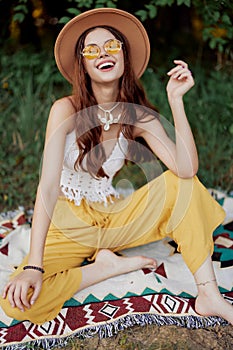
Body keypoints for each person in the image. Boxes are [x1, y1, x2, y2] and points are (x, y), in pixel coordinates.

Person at [1, 8, 232, 325]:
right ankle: (106, 267)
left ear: (124, 55)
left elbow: (186, 168)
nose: (103, 54)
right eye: (91, 50)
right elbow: (49, 185)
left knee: (185, 186)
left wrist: (176, 101)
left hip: (112, 217)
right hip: (67, 223)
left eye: (111, 46)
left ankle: (209, 295)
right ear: (82, 64)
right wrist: (34, 265)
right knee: (19, 301)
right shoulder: (64, 110)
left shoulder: (140, 117)